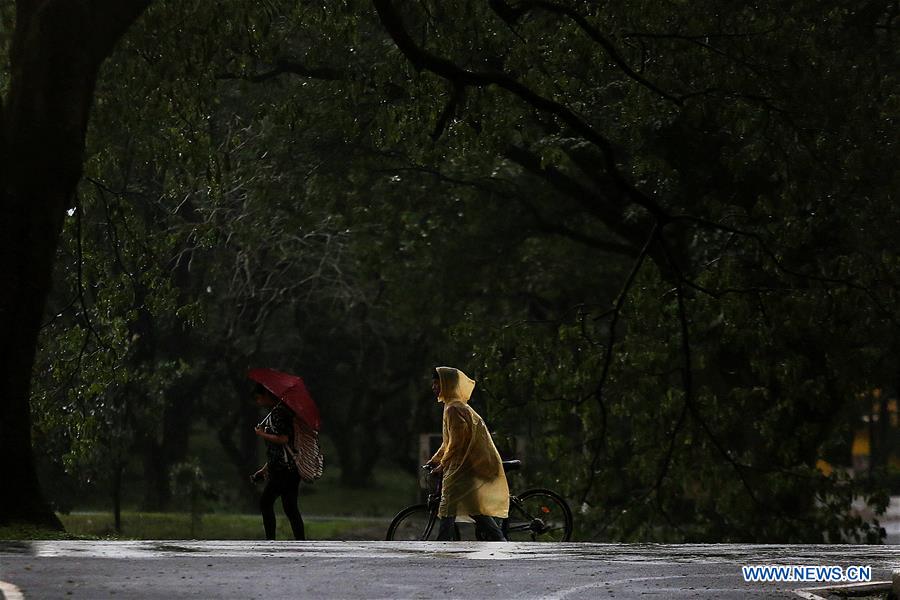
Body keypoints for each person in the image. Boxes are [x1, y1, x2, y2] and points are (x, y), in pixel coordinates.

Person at [425, 366, 509, 541]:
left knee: (447, 508)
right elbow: (448, 442)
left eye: (437, 383)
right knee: (477, 512)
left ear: (447, 385)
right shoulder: (454, 406)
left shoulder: (453, 409)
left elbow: (457, 444)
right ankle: (500, 542)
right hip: (463, 467)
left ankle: (442, 545)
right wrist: (434, 460)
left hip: (460, 469)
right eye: (433, 383)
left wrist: (442, 465)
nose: (434, 387)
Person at [251, 383, 306, 540]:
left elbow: (283, 439)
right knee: (290, 507)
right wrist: (265, 469)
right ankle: (301, 542)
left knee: (266, 503)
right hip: (287, 468)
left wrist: (262, 434)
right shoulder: (279, 412)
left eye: (258, 398)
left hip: (283, 470)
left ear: (267, 396)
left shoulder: (278, 414)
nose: (258, 402)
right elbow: (282, 450)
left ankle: (271, 541)